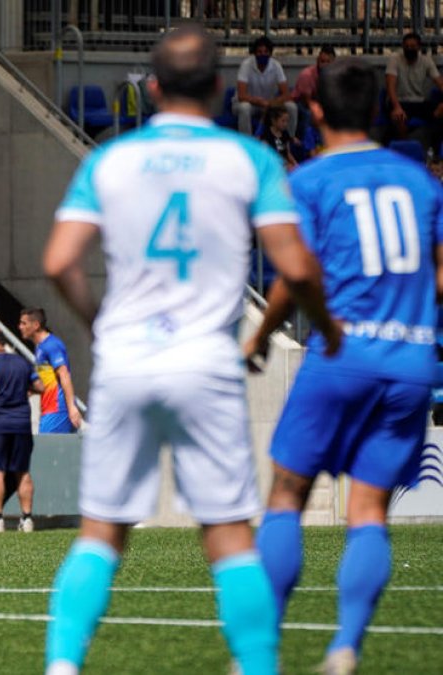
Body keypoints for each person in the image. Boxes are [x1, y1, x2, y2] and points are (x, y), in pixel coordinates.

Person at [40, 25, 339, 675]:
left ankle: (62, 666)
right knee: (229, 536)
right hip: (207, 359)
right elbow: (297, 266)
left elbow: (59, 260)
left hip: (125, 358)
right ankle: (258, 666)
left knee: (101, 533)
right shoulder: (248, 160)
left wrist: (98, 322)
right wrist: (323, 328)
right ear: (217, 89)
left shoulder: (110, 160)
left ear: (151, 88)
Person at [245, 58, 443, 675]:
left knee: (287, 492)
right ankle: (345, 649)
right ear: (380, 111)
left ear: (318, 112)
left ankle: (261, 653)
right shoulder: (420, 181)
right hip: (412, 358)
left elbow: (297, 274)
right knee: (369, 509)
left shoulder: (308, 181)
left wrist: (258, 335)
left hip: (343, 351)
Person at [0, 328, 44, 533]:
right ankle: (27, 519)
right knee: (22, 471)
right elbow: (41, 386)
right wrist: (24, 391)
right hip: (21, 422)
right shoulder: (22, 362)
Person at [18, 308, 81, 433]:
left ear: (36, 325)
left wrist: (71, 407)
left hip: (58, 409)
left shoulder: (52, 345)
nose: (20, 327)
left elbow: (64, 375)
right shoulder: (40, 347)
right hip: (49, 410)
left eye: (24, 323)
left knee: (47, 451)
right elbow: (46, 381)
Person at [385, 32, 443, 148]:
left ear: (419, 47)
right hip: (399, 101)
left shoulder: (426, 61)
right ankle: (405, 151)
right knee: (399, 118)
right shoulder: (395, 59)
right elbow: (390, 86)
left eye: (412, 46)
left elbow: (440, 83)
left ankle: (435, 152)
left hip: (418, 101)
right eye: (406, 46)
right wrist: (396, 107)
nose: (409, 49)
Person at [234, 36, 298, 136]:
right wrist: (258, 101)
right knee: (244, 108)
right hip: (250, 103)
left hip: (269, 104)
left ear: (270, 53)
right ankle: (248, 142)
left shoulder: (276, 66)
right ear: (254, 53)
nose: (263, 54)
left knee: (291, 106)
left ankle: (289, 140)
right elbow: (241, 96)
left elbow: (286, 94)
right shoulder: (246, 65)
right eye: (259, 52)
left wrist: (271, 103)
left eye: (266, 52)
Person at [259, 105, 298, 170]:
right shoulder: (266, 134)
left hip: (284, 163)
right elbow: (265, 155)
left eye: (287, 121)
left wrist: (295, 164)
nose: (285, 124)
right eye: (283, 121)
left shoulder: (285, 134)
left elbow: (288, 153)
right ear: (273, 120)